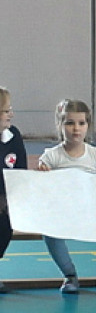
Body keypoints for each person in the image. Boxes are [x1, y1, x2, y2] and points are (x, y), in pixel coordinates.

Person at [37, 100, 96, 295]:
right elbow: (42, 191)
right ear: (60, 125)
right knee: (49, 232)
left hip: (91, 212)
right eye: (70, 123)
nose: (76, 128)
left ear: (87, 126)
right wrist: (42, 177)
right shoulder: (51, 156)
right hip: (63, 213)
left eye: (81, 123)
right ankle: (70, 275)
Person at [0, 87, 28, 294]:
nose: (11, 114)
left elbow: (20, 171)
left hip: (5, 203)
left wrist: (9, 199)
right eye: (6, 111)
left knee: (4, 226)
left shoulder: (13, 136)